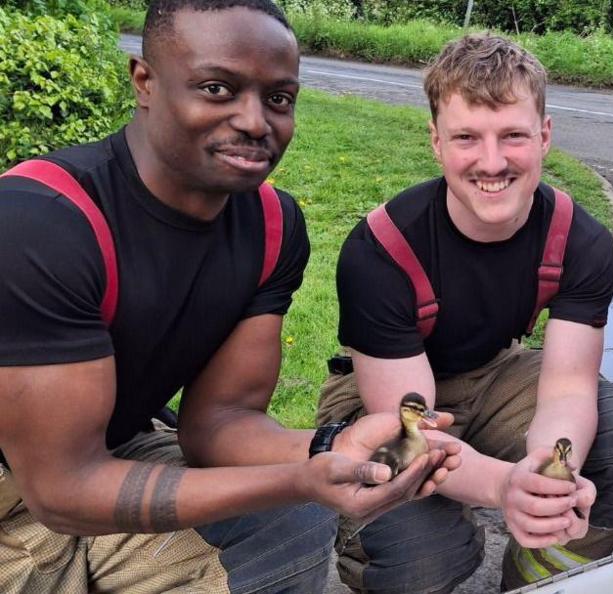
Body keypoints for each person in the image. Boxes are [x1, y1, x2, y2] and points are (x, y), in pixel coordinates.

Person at [0, 1, 459, 591]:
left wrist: (330, 446)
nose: (253, 121)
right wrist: (299, 479)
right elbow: (62, 491)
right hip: (43, 483)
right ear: (145, 81)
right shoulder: (42, 223)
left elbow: (220, 421)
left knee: (290, 526)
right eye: (217, 88)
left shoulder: (271, 229)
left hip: (95, 460)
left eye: (278, 98)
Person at [316, 33, 613, 593]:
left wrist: (551, 474)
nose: (492, 162)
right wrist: (506, 486)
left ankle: (534, 585)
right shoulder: (379, 251)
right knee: (423, 556)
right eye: (467, 138)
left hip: (495, 375)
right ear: (435, 141)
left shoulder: (581, 242)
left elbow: (569, 388)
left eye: (513, 136)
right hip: (385, 404)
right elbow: (412, 431)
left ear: (545, 136)